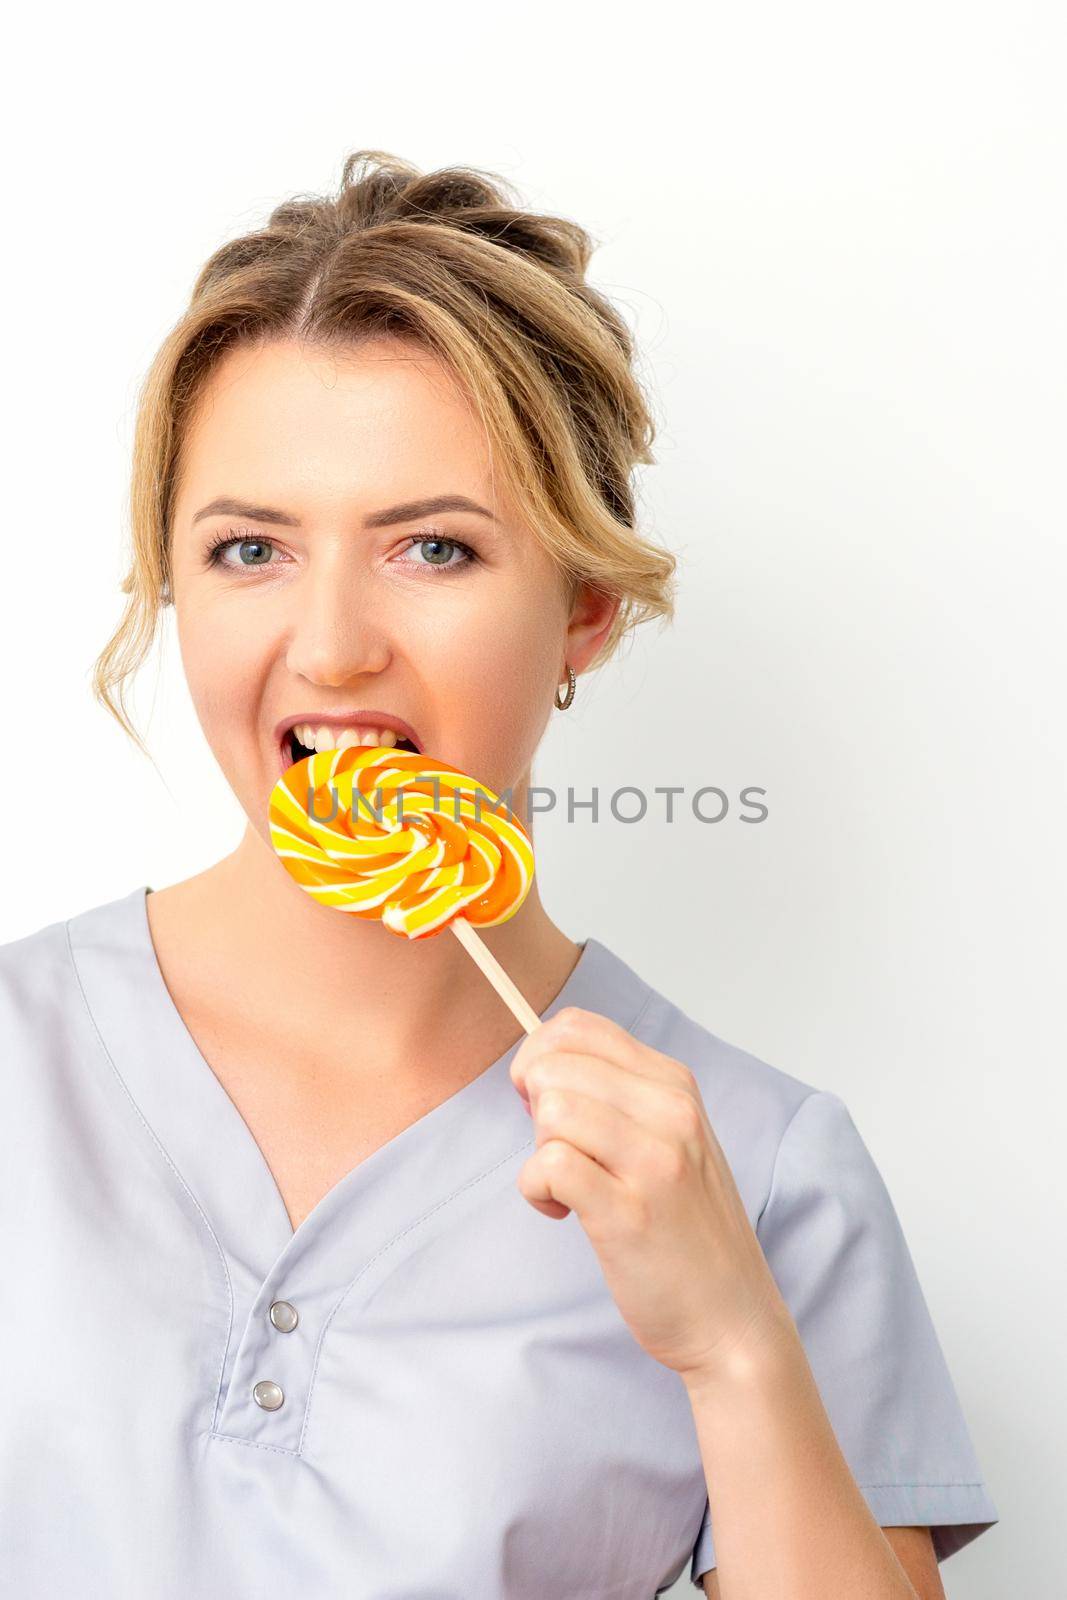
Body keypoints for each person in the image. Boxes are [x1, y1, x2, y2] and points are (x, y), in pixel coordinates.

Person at [0, 150, 997, 1599]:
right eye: (250, 548)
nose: (332, 645)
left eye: (434, 547)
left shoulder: (760, 1170)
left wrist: (732, 1345)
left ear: (586, 609)